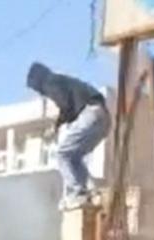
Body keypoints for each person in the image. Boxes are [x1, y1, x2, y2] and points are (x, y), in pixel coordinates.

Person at [26, 62, 110, 210]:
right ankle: (88, 190)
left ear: (38, 81)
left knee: (62, 154)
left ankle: (77, 192)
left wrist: (56, 126)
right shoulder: (62, 80)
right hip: (103, 118)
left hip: (90, 113)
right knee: (73, 156)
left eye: (36, 89)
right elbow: (70, 106)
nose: (40, 93)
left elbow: (66, 106)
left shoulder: (50, 82)